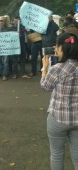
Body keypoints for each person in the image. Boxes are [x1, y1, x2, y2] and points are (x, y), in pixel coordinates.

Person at [40, 33, 78, 170]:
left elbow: (45, 86)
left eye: (56, 47)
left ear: (62, 47)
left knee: (56, 154)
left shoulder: (57, 69)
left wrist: (45, 68)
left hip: (58, 118)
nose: (55, 49)